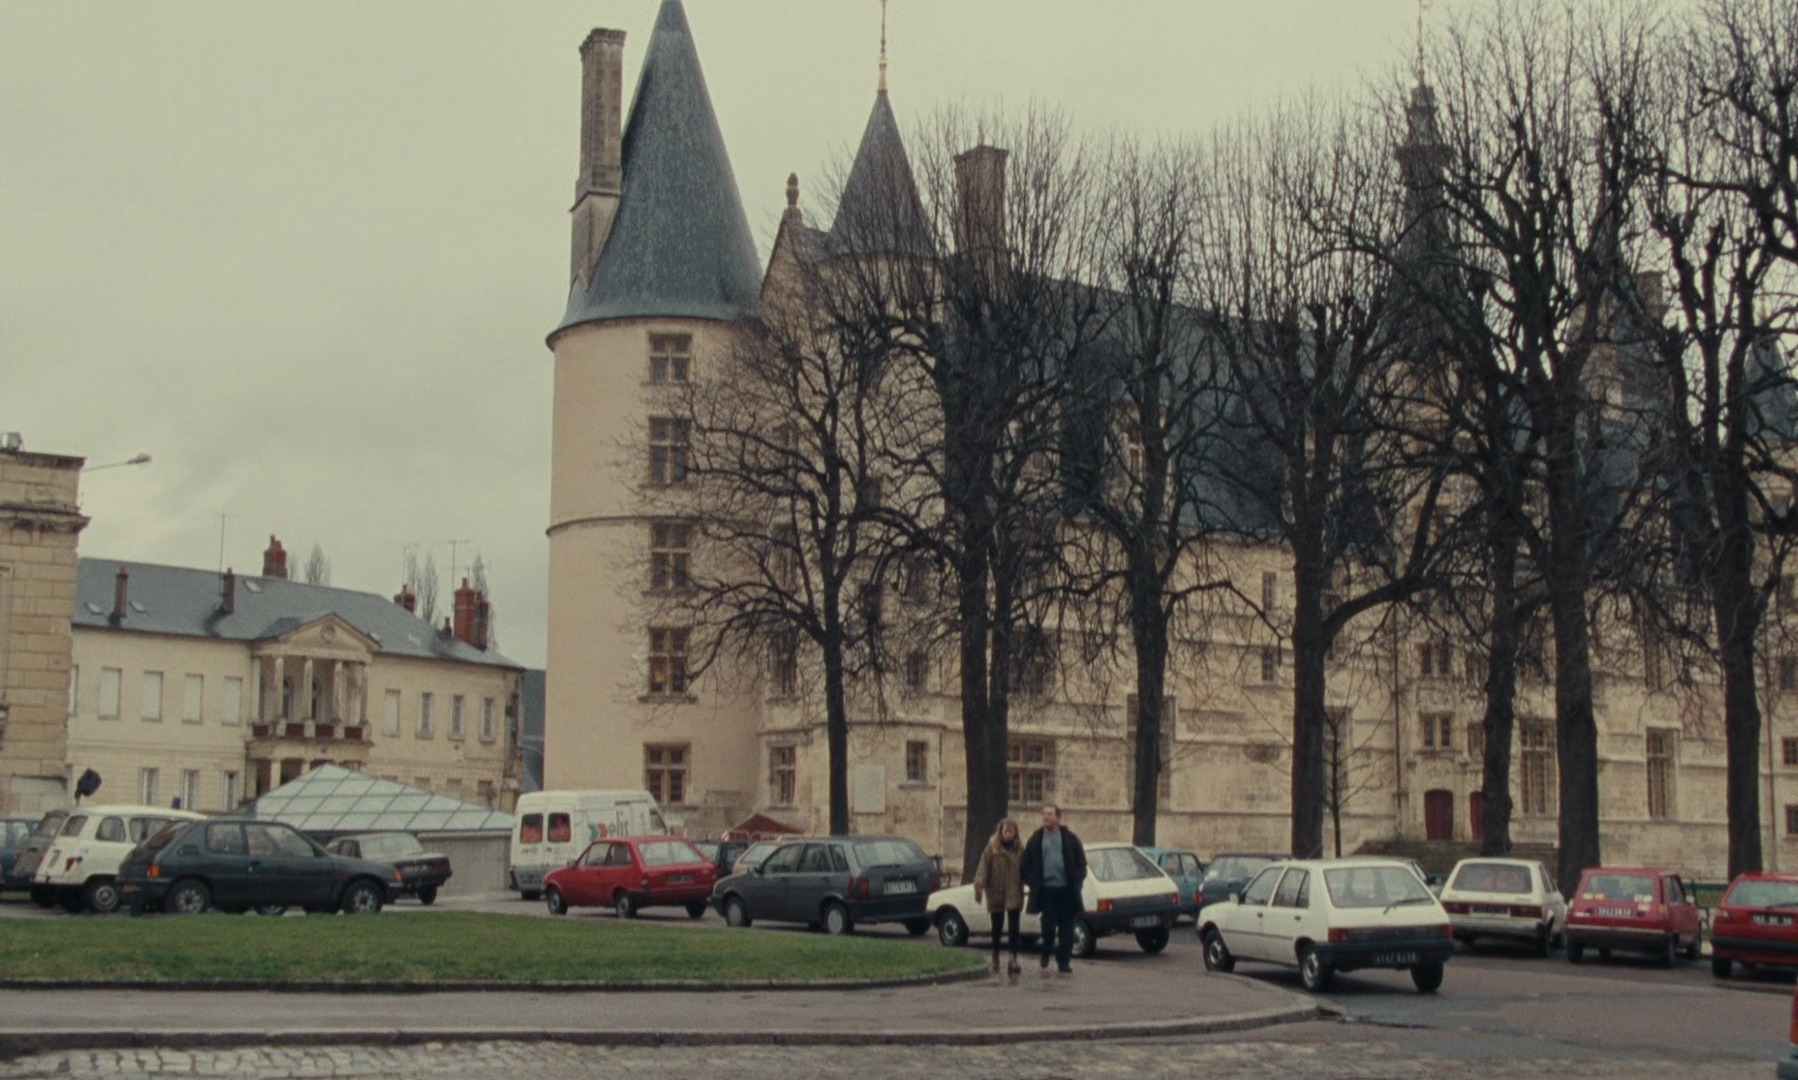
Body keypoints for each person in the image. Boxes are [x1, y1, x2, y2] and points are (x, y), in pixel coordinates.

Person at [1018, 803, 1087, 975]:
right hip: (1046, 890)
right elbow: (1025, 864)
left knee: (1066, 927)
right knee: (1048, 926)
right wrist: (1032, 881)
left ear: (1058, 817)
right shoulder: (1036, 839)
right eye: (1044, 814)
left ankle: (1064, 961)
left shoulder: (1070, 838)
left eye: (1050, 814)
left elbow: (1081, 862)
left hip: (1065, 890)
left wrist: (1077, 880)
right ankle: (1046, 952)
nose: (1046, 817)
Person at [972, 818, 1025, 976]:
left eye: (1011, 831)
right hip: (996, 890)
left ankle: (1013, 957)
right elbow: (983, 867)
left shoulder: (1019, 850)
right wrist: (979, 884)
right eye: (1006, 831)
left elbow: (1026, 867)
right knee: (997, 926)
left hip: (1014, 889)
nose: (1008, 834)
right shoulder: (992, 849)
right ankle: (995, 955)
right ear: (1001, 832)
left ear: (1015, 833)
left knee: (1014, 926)